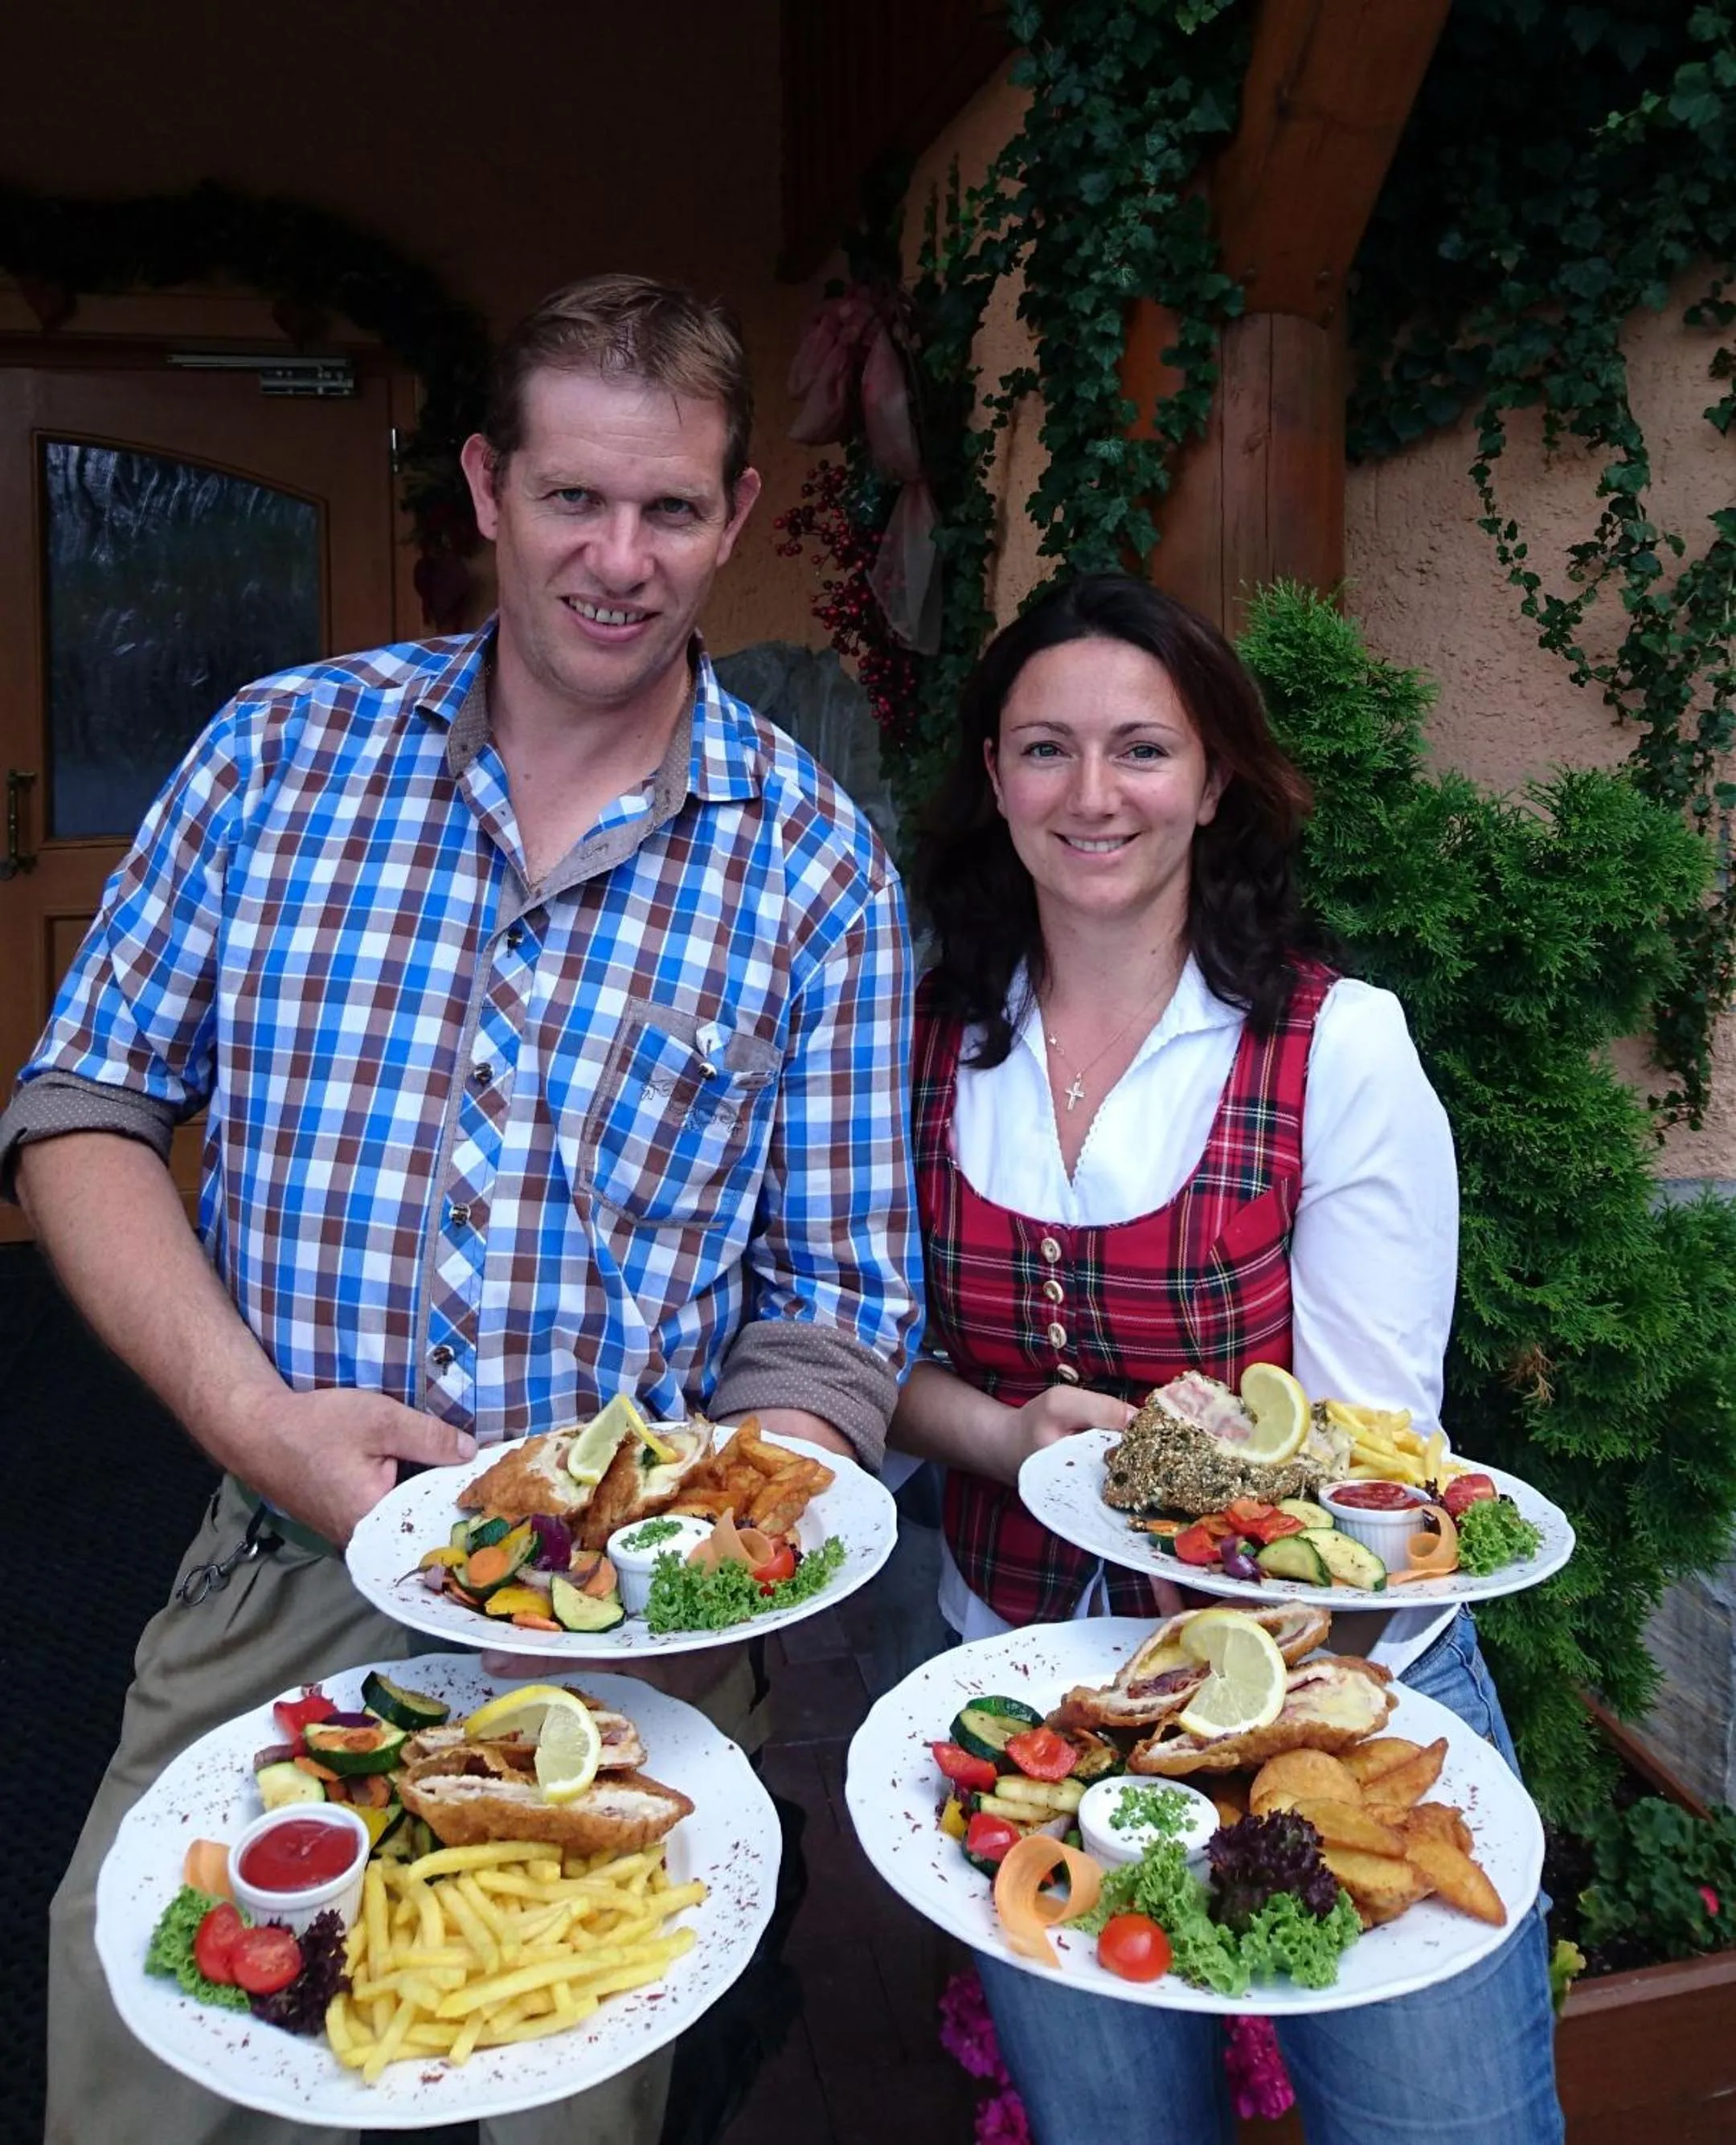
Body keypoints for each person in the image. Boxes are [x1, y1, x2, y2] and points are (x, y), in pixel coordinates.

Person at [4, 272, 922, 2145]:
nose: (619, 556)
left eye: (671, 507)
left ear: (738, 515)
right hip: (276, 1563)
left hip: (617, 1646)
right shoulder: (281, 754)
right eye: (575, 496)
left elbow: (831, 1300)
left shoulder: (817, 868)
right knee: (146, 2051)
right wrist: (254, 1420)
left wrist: (700, 1560)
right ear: (487, 487)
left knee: (538, 2102)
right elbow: (79, 1108)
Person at [888, 572, 1561, 2145]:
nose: (1094, 792)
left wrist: (1178, 1486)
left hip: (1345, 1694)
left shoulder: (1338, 1044)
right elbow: (861, 1358)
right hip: (1046, 1691)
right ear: (992, 776)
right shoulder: (917, 1039)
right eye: (1046, 748)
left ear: (1215, 779)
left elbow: (1375, 1443)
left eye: (1143, 748)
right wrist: (993, 1432)